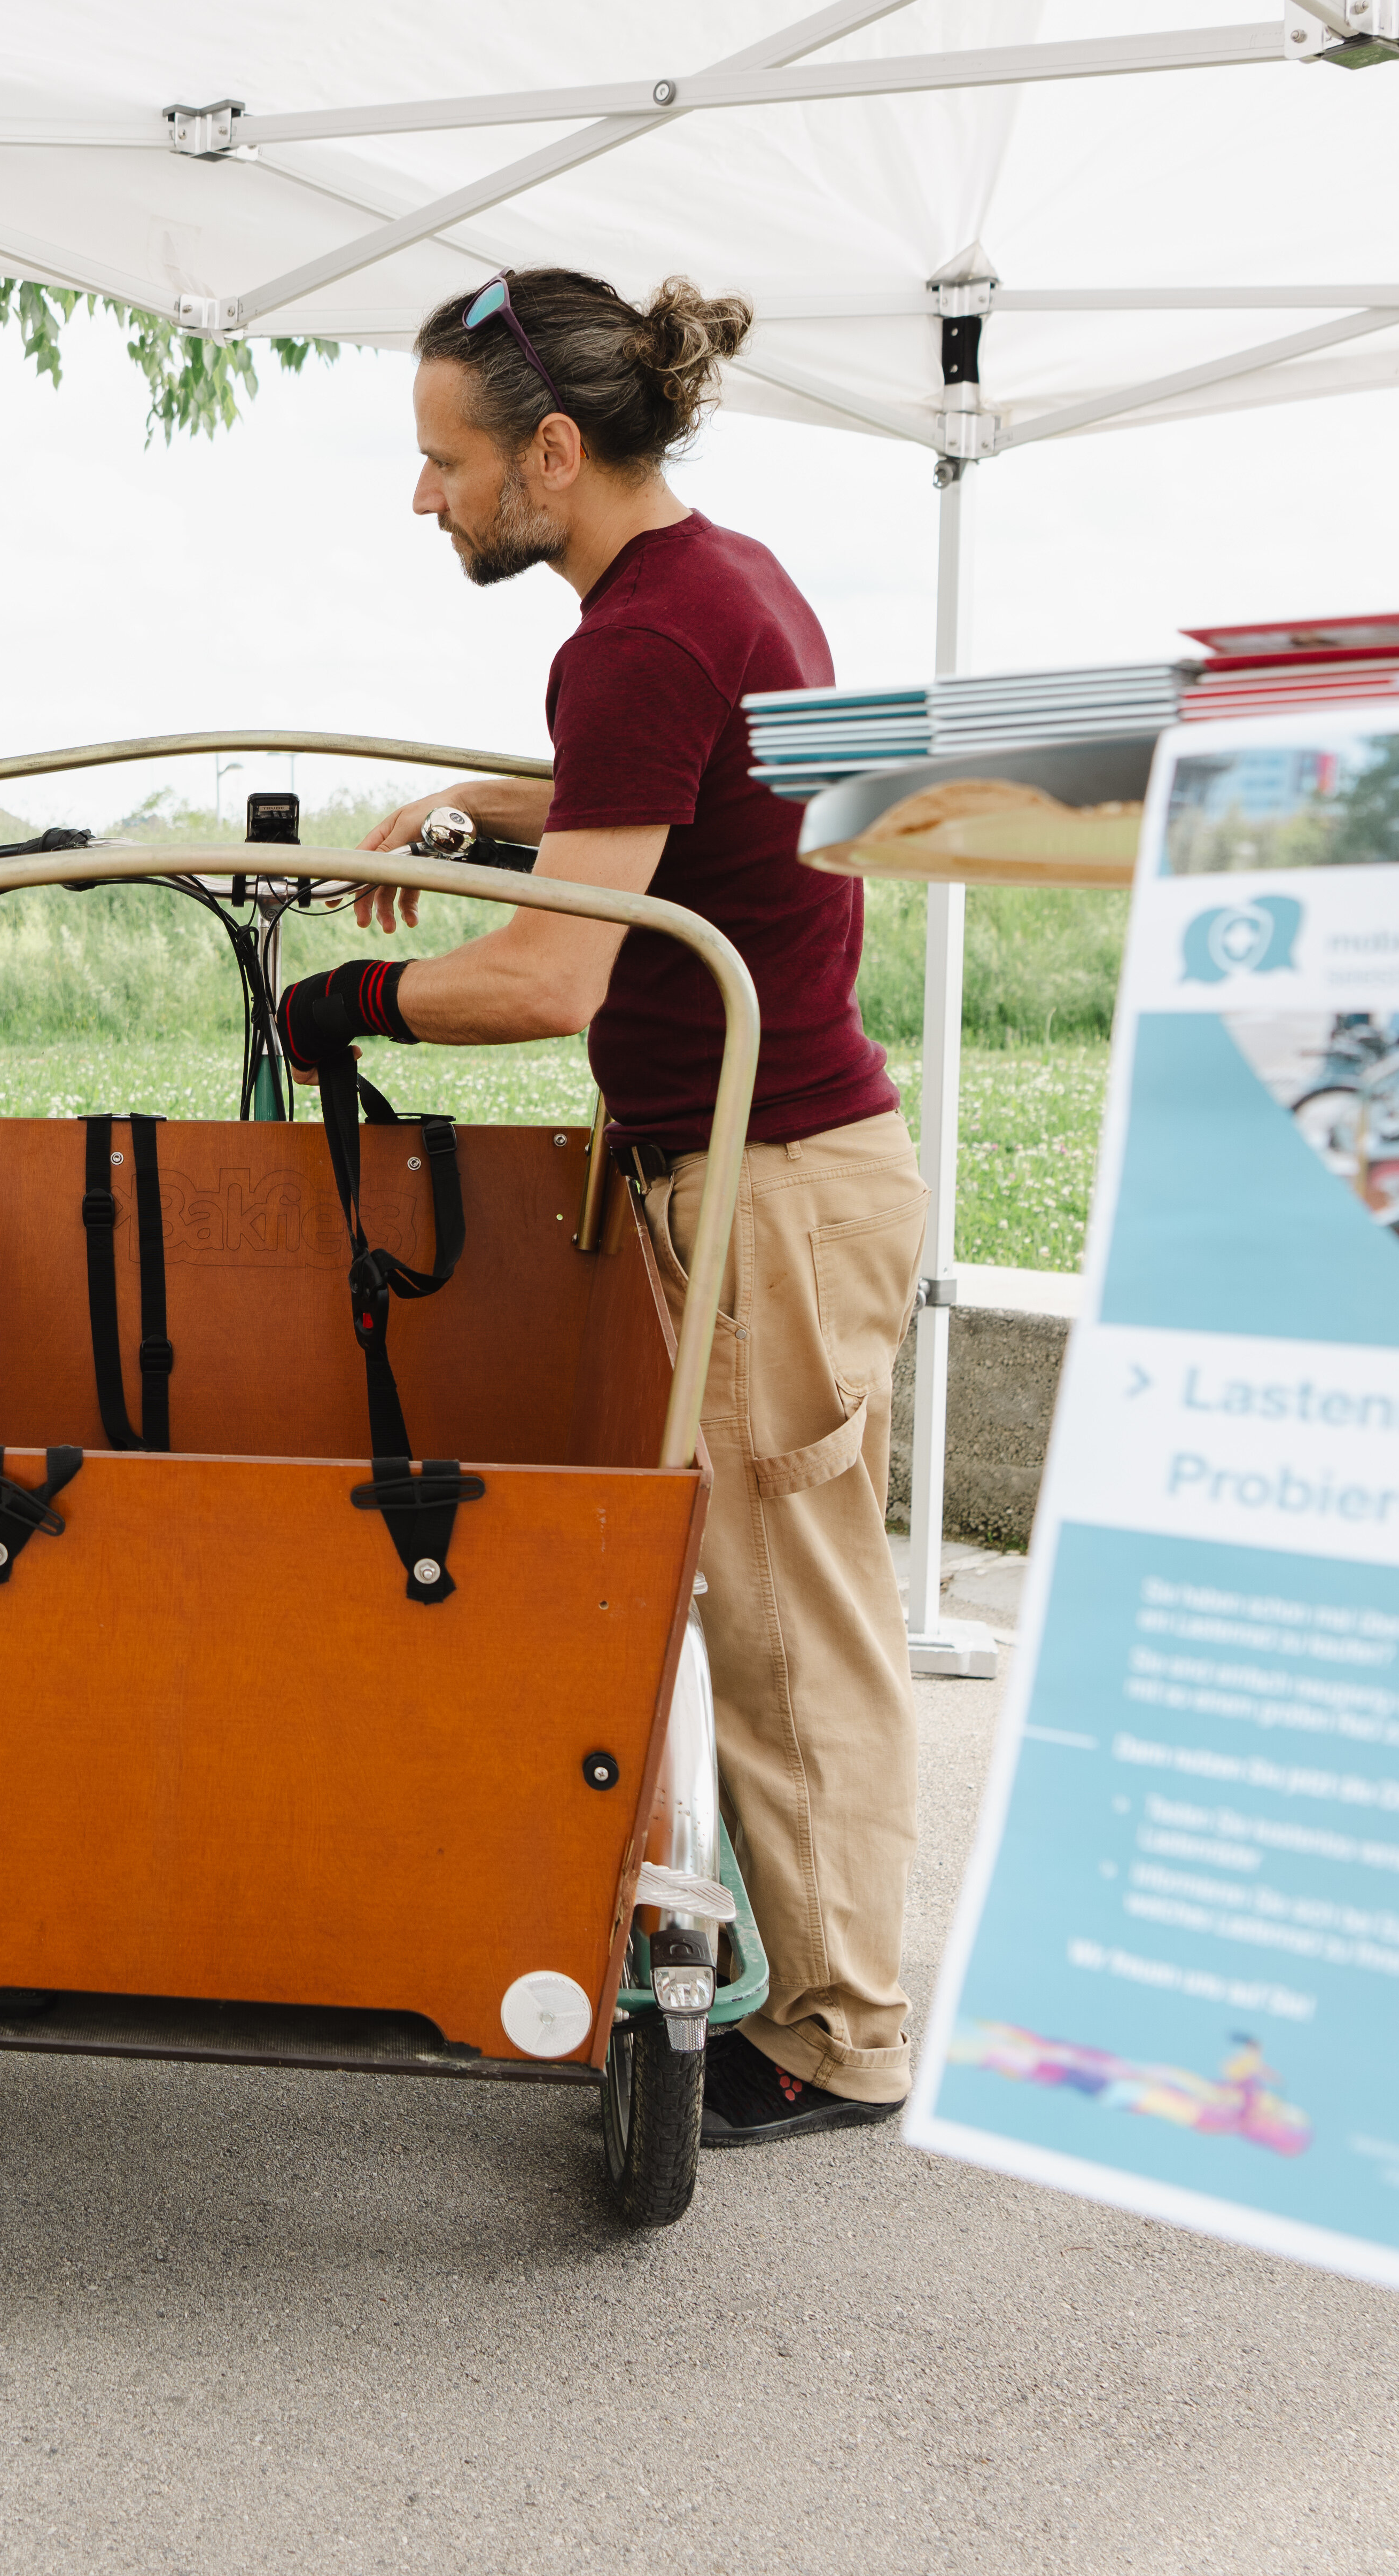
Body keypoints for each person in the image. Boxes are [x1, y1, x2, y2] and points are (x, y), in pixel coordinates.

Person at [277, 267, 929, 2146]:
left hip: (768, 1178)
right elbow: (641, 803)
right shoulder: (719, 582)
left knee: (793, 1630)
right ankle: (820, 1986)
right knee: (794, 1606)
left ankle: (834, 2036)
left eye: (445, 461)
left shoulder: (635, 635)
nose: (427, 499)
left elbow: (550, 984)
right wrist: (476, 819)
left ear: (550, 456)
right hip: (785, 1164)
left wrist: (350, 1000)